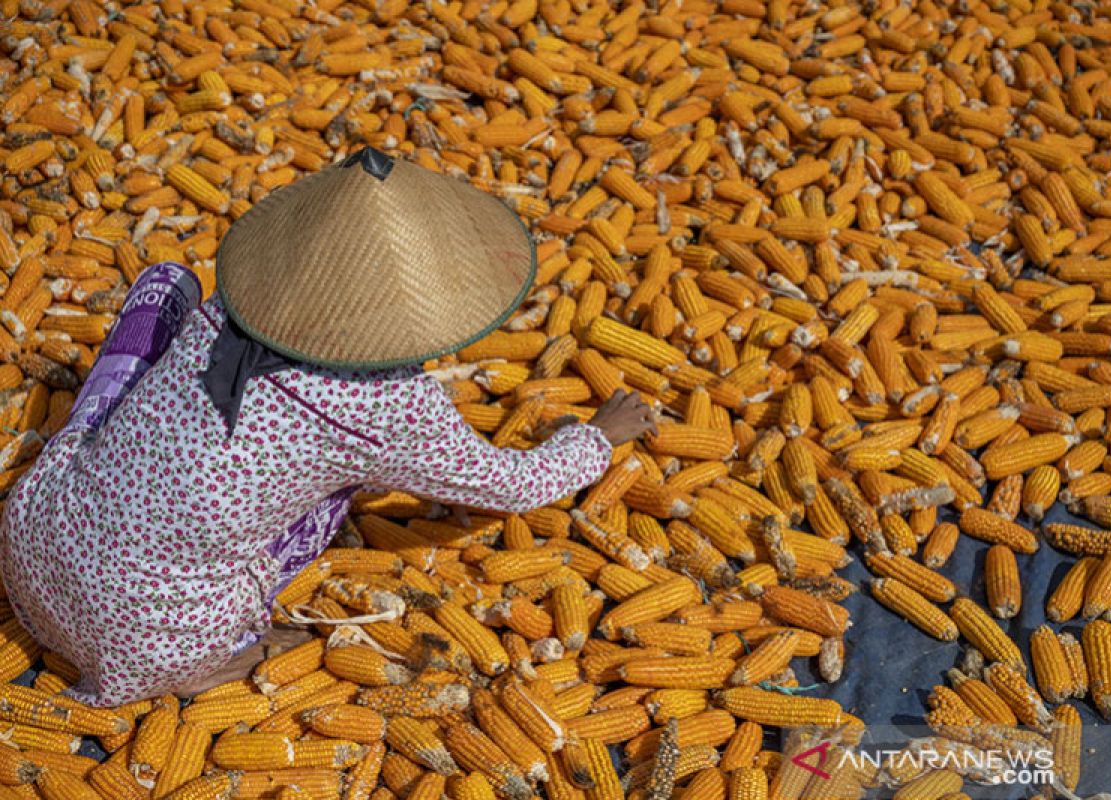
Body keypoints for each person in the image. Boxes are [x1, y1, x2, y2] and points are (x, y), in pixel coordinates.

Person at [0, 147, 657, 707]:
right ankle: (216, 662)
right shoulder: (393, 408)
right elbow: (509, 486)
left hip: (27, 545)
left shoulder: (241, 305)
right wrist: (597, 434)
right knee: (343, 490)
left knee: (169, 284)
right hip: (141, 645)